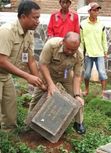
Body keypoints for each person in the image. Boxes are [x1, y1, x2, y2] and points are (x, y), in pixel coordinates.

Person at [29, 32, 86, 134]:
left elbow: (77, 76)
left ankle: (78, 122)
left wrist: (77, 95)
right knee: (38, 95)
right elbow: (43, 65)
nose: (70, 52)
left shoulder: (79, 54)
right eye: (68, 48)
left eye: (73, 50)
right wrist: (50, 84)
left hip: (66, 74)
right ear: (62, 42)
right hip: (48, 72)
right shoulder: (51, 45)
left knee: (78, 97)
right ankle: (30, 119)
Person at [0, 1, 45, 130]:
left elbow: (30, 60)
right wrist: (27, 77)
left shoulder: (29, 33)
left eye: (39, 17)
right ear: (23, 17)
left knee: (10, 107)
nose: (38, 21)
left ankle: (9, 135)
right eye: (35, 17)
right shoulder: (7, 31)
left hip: (5, 74)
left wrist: (38, 81)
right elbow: (2, 60)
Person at [80, 2, 108, 97]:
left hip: (99, 53)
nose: (96, 12)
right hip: (88, 54)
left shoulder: (101, 24)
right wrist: (80, 52)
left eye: (97, 10)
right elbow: (81, 41)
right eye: (94, 10)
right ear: (89, 11)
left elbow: (104, 39)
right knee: (87, 74)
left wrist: (105, 51)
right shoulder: (83, 24)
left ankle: (104, 93)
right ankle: (86, 90)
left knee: (102, 73)